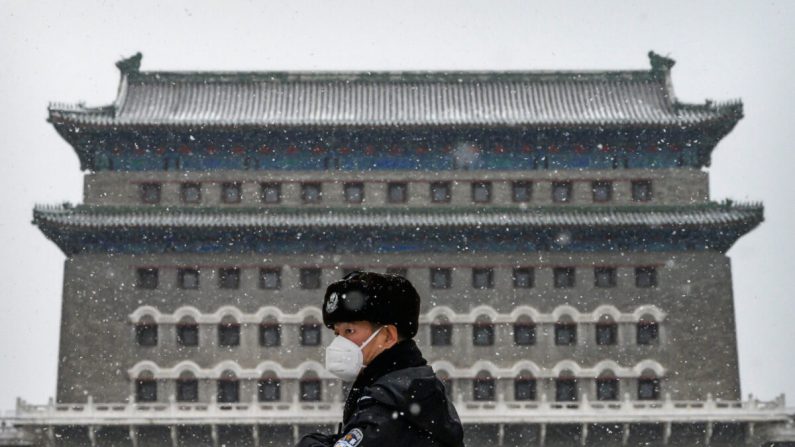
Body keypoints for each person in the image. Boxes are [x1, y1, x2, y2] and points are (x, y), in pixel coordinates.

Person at [296, 271, 465, 447]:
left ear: (387, 336)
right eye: (337, 333)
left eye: (350, 331)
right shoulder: (410, 386)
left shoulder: (393, 400)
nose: (340, 342)